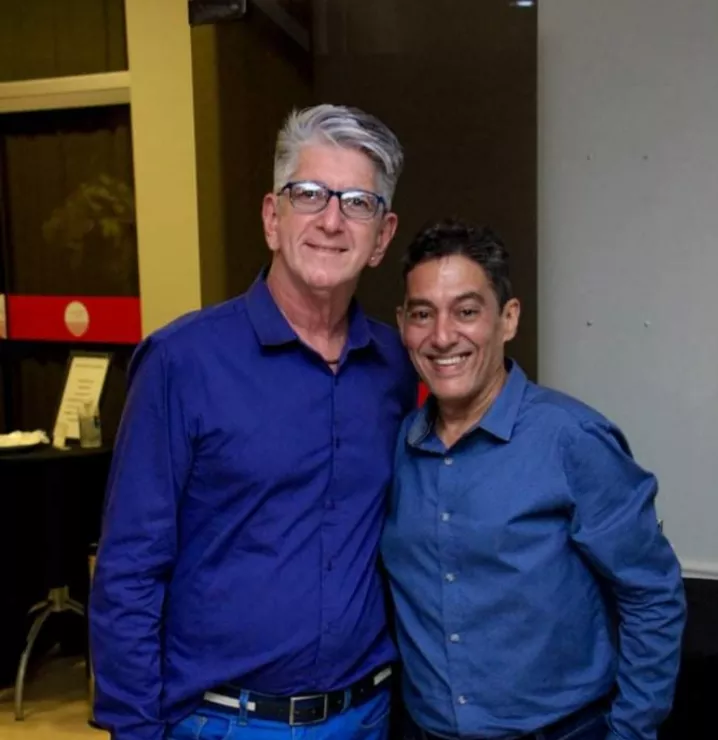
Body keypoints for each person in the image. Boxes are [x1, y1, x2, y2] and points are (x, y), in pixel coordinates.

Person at [90, 104, 417, 740]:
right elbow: (129, 569)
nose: (331, 220)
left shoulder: (395, 367)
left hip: (368, 716)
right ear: (272, 217)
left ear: (382, 236)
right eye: (309, 194)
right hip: (224, 722)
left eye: (357, 203)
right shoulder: (182, 362)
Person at [381, 218, 686, 740]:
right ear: (402, 324)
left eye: (467, 311)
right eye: (422, 314)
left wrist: (630, 732)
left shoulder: (572, 439)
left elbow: (652, 595)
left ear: (509, 319)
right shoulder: (397, 445)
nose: (442, 336)